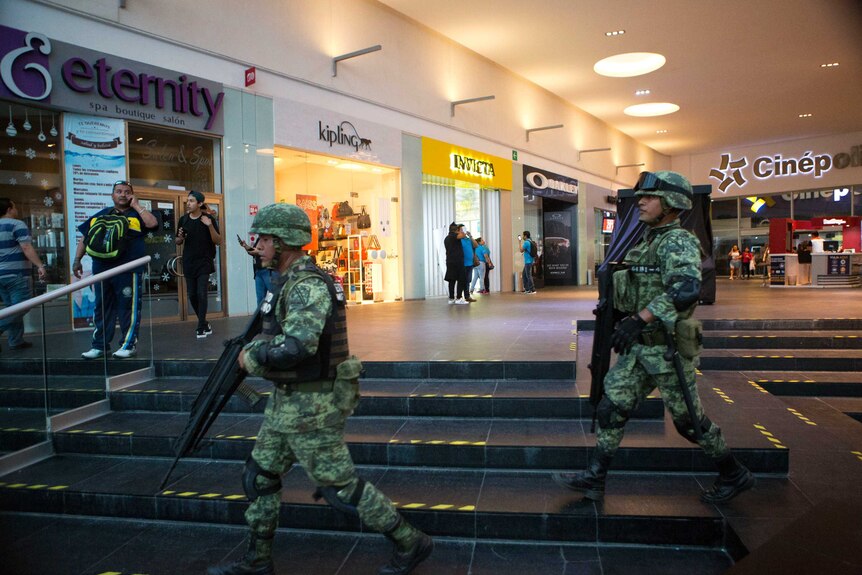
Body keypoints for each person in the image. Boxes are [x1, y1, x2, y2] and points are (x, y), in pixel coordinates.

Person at [207, 203, 432, 575]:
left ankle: (410, 541)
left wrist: (254, 358)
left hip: (312, 406)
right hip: (287, 403)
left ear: (284, 242)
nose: (257, 246)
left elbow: (298, 346)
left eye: (263, 239)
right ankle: (257, 562)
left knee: (341, 487)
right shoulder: (285, 283)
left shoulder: (308, 287)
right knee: (259, 477)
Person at [551, 171, 755, 505]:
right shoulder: (649, 239)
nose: (641, 202)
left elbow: (687, 289)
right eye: (640, 197)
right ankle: (595, 477)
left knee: (689, 422)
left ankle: (733, 472)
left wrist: (639, 318)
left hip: (668, 350)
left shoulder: (678, 241)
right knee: (610, 406)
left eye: (650, 196)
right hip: (639, 348)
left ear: (672, 203)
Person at [73, 180, 158, 359]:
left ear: (132, 195)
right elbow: (85, 238)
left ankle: (128, 345)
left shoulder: (137, 215)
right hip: (102, 269)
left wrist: (137, 205)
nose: (123, 194)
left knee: (128, 308)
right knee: (101, 308)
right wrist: (77, 260)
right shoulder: (100, 215)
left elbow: (152, 224)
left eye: (127, 192)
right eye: (119, 191)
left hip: (129, 270)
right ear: (112, 195)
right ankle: (100, 346)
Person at [0, 198, 47, 353]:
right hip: (16, 274)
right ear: (9, 209)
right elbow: (26, 247)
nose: (16, 209)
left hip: (1, 276)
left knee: (11, 308)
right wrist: (40, 265)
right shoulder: (17, 224)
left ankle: (16, 341)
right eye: (14, 206)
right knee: (22, 307)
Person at [176, 191, 221, 338]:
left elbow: (218, 240)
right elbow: (177, 241)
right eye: (188, 201)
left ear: (200, 204)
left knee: (202, 293)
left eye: (192, 201)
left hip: (204, 260)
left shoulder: (208, 218)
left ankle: (201, 326)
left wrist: (209, 226)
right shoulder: (183, 220)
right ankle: (204, 322)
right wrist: (180, 237)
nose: (188, 203)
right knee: (192, 295)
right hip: (189, 261)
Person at [238, 235, 278, 307]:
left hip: (268, 270)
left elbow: (257, 251)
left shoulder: (271, 237)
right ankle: (261, 316)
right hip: (258, 272)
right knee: (260, 299)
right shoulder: (259, 239)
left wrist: (256, 251)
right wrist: (245, 246)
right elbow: (253, 251)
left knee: (274, 296)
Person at [443, 222, 469, 304]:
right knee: (461, 279)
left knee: (452, 280)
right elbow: (463, 235)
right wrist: (462, 231)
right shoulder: (453, 236)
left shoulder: (446, 238)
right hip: (457, 262)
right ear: (456, 230)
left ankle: (451, 298)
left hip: (450, 262)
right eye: (459, 229)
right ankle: (458, 298)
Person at [460, 226, 478, 301]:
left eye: (464, 229)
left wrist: (470, 236)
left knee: (468, 280)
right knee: (462, 281)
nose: (464, 231)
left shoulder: (468, 239)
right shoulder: (459, 240)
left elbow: (476, 245)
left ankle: (467, 296)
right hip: (462, 264)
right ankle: (459, 297)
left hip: (470, 264)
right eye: (462, 229)